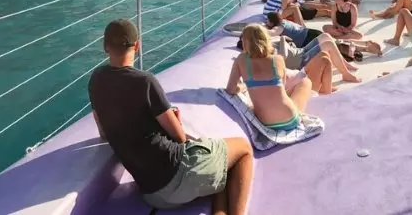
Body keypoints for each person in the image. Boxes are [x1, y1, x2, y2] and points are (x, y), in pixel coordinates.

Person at [88, 19, 253, 215]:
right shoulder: (144, 82)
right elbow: (180, 138)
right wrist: (176, 121)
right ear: (137, 46)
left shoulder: (95, 80)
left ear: (105, 46)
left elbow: (104, 133)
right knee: (243, 149)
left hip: (152, 193)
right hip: (179, 175)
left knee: (222, 168)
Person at [226, 24, 313, 132]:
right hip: (290, 120)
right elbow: (282, 88)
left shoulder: (241, 59)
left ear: (245, 41)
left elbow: (230, 89)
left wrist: (242, 86)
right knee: (305, 82)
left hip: (265, 122)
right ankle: (299, 114)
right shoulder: (277, 59)